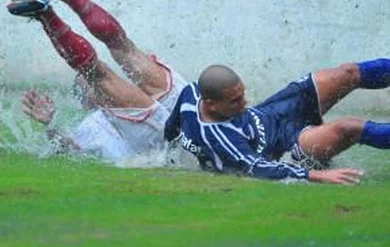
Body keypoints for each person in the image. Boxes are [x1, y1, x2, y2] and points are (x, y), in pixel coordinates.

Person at [7, 0, 187, 160]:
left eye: (89, 86)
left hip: (169, 131)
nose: (94, 89)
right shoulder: (93, 124)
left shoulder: (109, 110)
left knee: (107, 61)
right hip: (178, 123)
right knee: (122, 47)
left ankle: (47, 11)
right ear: (85, 102)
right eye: (88, 88)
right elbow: (67, 147)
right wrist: (50, 124)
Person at [165, 61, 390, 185]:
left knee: (346, 73)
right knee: (349, 128)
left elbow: (171, 127)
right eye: (236, 101)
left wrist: (166, 147)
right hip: (287, 145)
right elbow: (257, 167)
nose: (245, 102)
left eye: (243, 94)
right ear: (211, 104)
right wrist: (316, 175)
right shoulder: (221, 140)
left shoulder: (191, 93)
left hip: (276, 109)